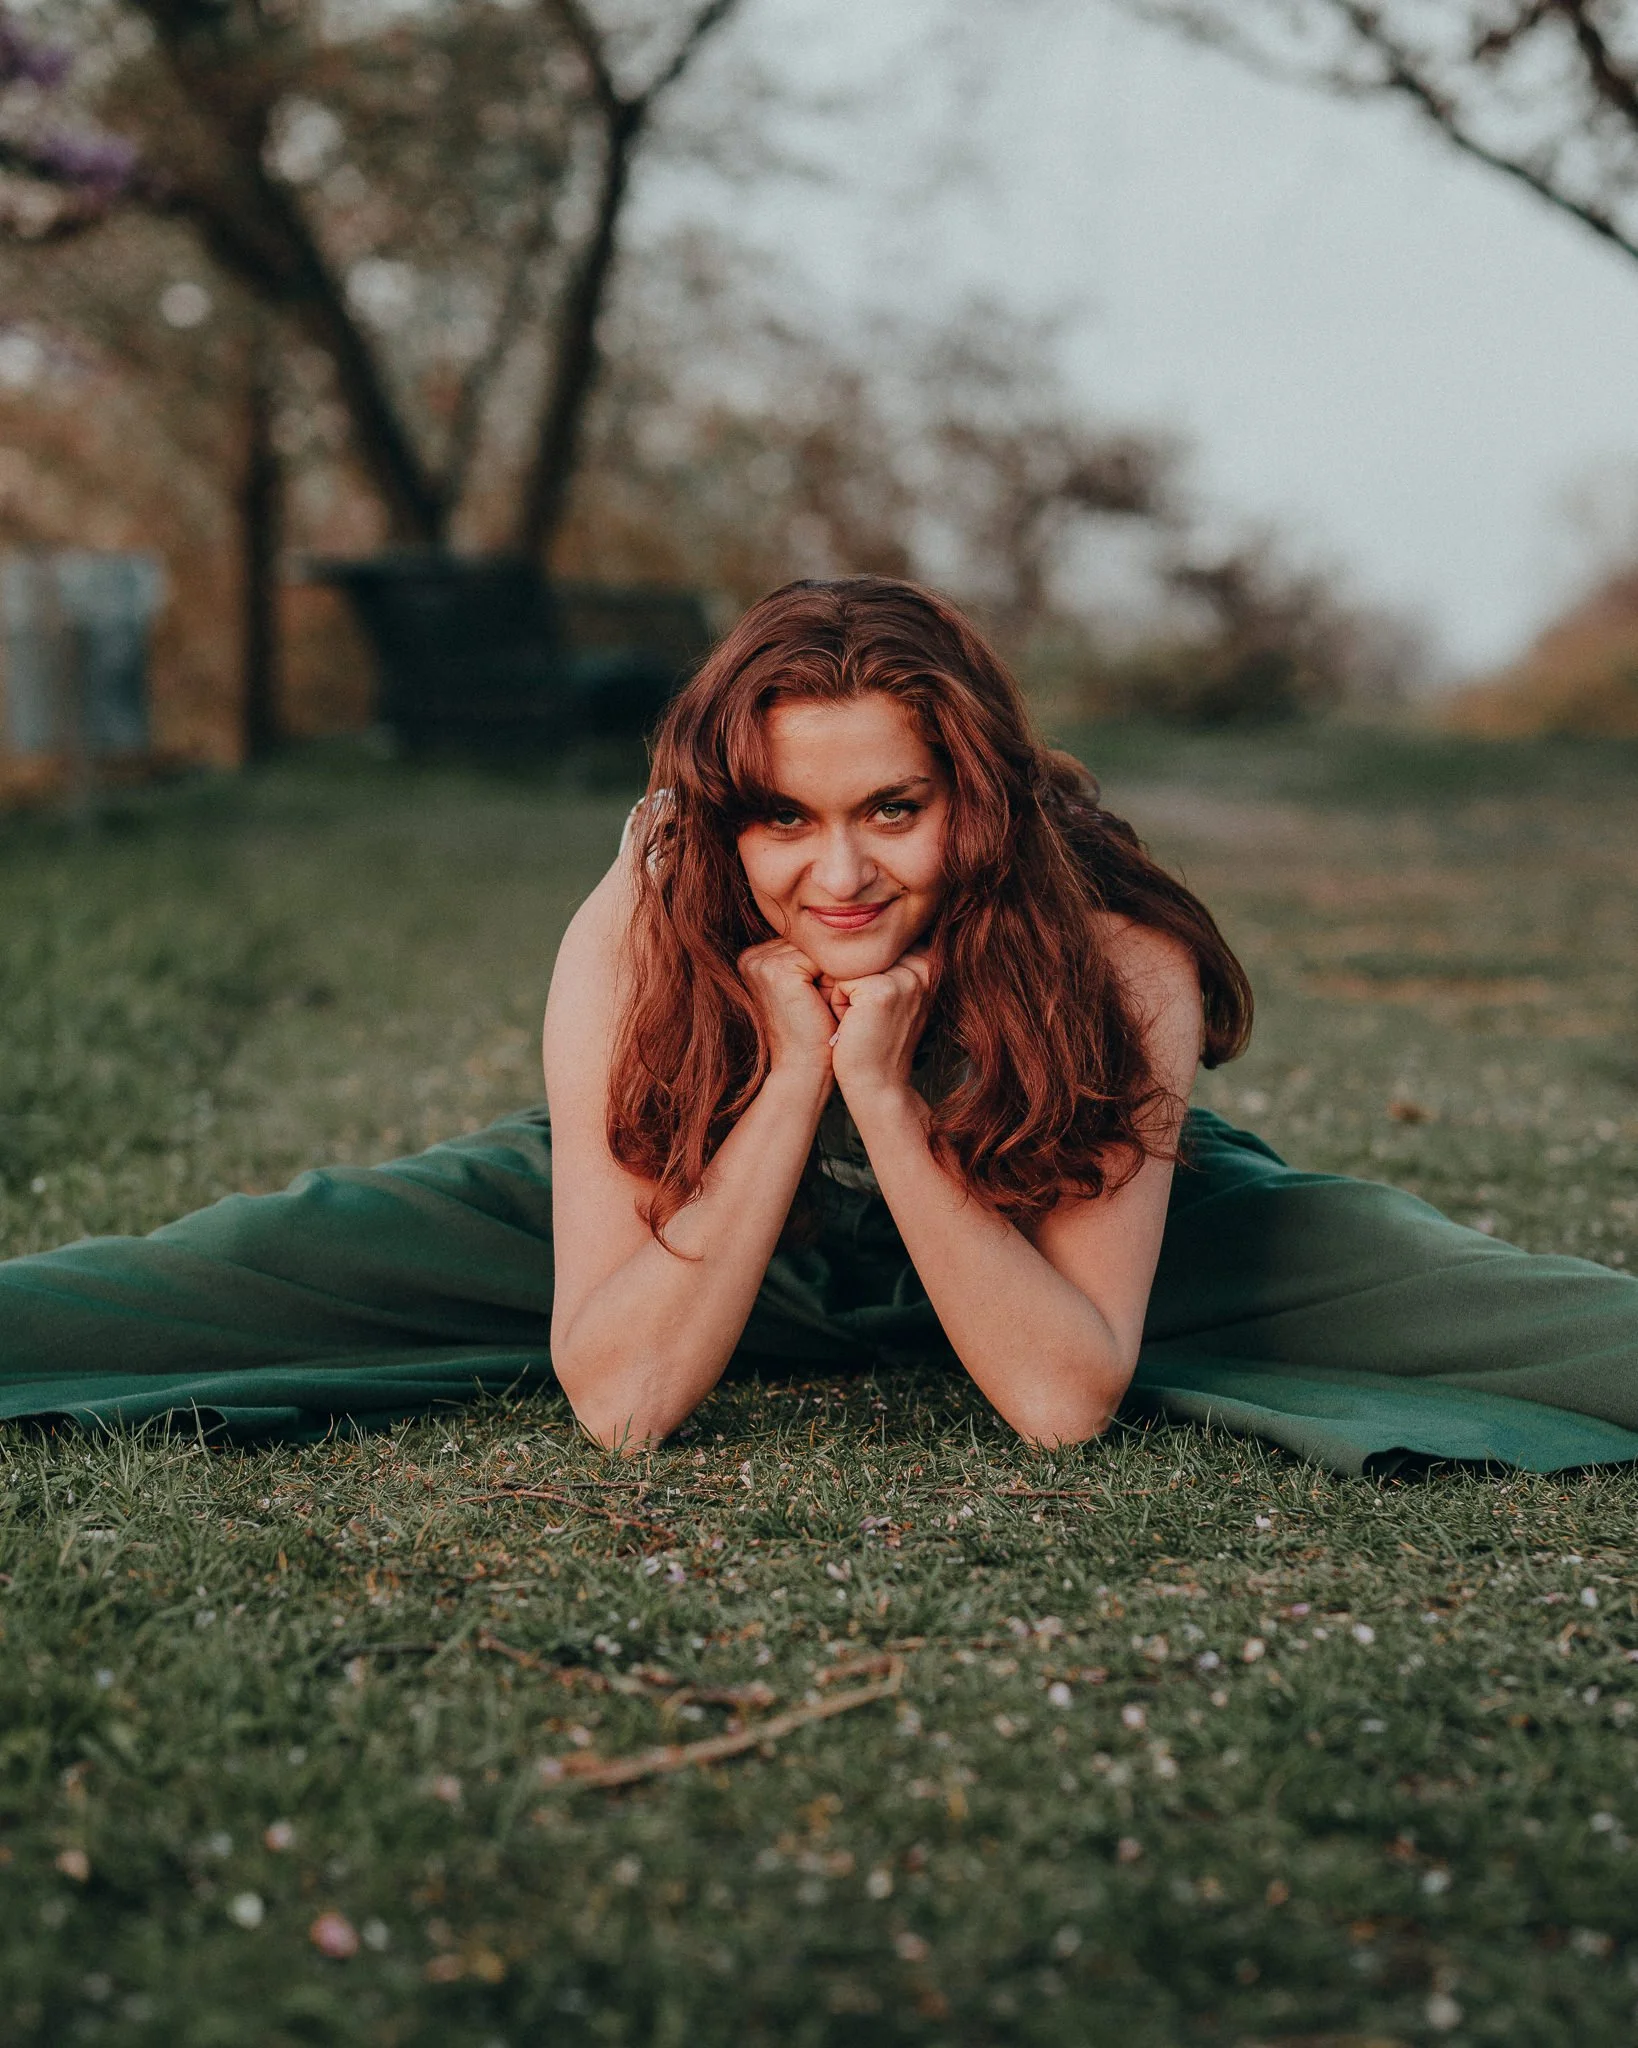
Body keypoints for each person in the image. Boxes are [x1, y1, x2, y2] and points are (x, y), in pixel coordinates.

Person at [3, 577, 1637, 1476]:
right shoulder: (643, 917)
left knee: (1510, 1313)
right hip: (703, 1204)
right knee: (212, 1275)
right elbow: (621, 1403)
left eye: (892, 810)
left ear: (972, 798)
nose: (838, 875)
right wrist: (791, 1076)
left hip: (1056, 1222)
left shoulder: (1118, 955)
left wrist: (888, 1102)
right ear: (722, 815)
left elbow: (1062, 1398)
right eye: (783, 818)